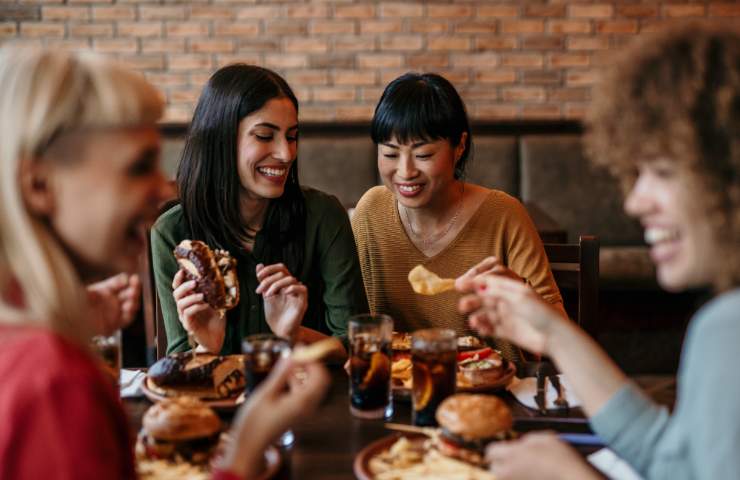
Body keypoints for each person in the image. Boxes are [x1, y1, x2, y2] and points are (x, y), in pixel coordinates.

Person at [0, 47, 330, 479]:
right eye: (138, 167)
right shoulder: (56, 383)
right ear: (38, 184)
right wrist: (247, 447)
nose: (161, 189)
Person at [458, 24, 740, 479]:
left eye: (663, 171)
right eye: (637, 171)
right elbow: (669, 456)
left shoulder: (728, 331)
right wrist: (551, 332)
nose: (634, 201)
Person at [151, 64, 368, 356]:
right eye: (265, 136)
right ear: (221, 140)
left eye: (291, 136)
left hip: (312, 397)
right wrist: (206, 346)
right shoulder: (172, 232)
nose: (285, 153)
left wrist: (292, 334)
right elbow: (178, 360)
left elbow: (357, 344)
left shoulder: (324, 216)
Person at [351, 72, 565, 361]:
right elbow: (351, 322)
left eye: (423, 154)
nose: (405, 171)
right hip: (396, 394)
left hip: (492, 394)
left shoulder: (504, 215)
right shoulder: (370, 213)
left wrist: (519, 297)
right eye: (390, 154)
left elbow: (559, 336)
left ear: (459, 146)